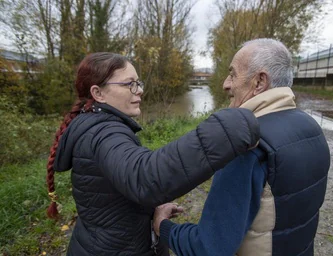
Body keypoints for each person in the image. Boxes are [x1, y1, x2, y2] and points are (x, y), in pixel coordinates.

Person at [45, 52, 260, 256]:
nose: (139, 90)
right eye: (129, 84)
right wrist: (232, 126)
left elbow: (116, 189)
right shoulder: (103, 133)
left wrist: (150, 210)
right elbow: (144, 178)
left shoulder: (94, 124)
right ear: (98, 93)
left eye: (138, 83)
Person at [153, 38, 331, 256]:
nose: (225, 84)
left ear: (259, 82)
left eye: (233, 74)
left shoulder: (246, 147)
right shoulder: (311, 126)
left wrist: (163, 227)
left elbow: (207, 248)